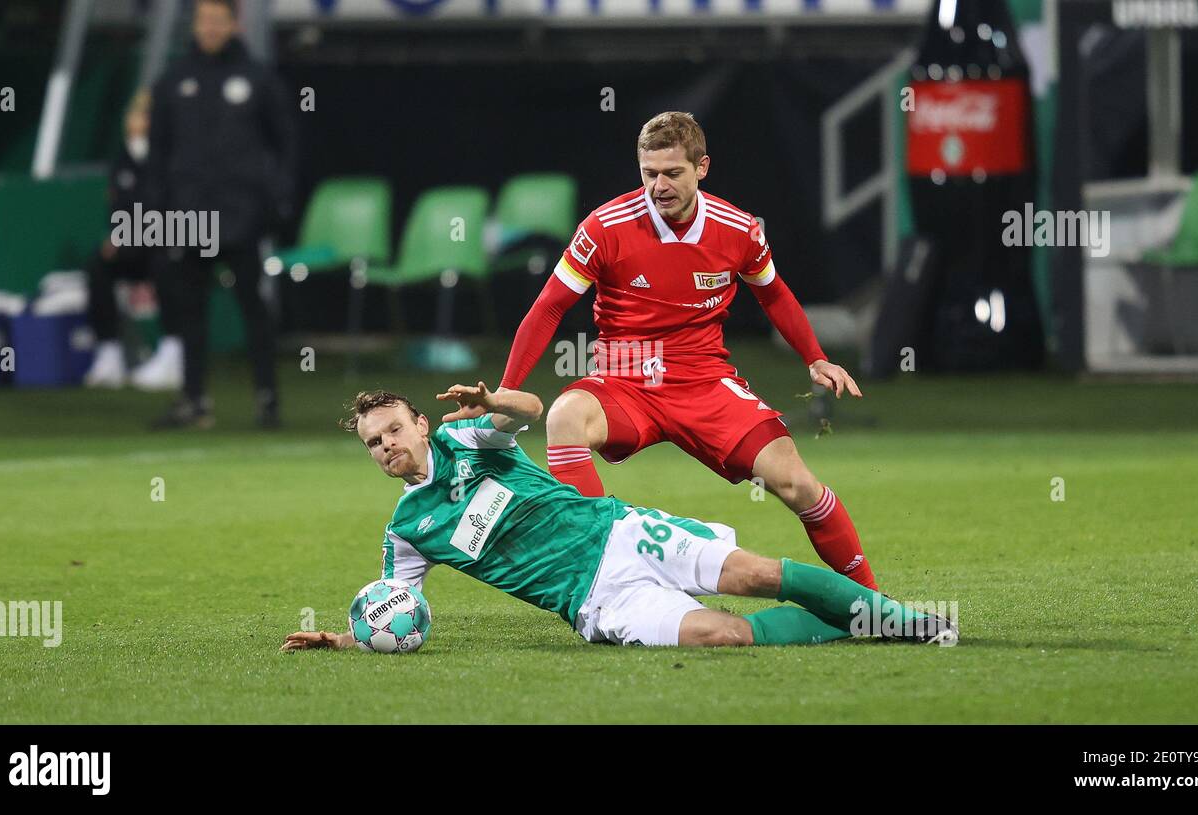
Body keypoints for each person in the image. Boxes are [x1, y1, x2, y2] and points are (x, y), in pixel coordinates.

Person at [498, 112, 879, 590]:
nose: (659, 185)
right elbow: (548, 309)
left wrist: (815, 357)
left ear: (702, 167)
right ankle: (600, 584)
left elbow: (773, 293)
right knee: (564, 417)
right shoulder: (605, 226)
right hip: (625, 380)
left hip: (704, 382)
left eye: (672, 173)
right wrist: (508, 389)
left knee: (798, 484)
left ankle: (872, 602)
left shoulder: (738, 229)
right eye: (648, 173)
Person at [281, 383, 955, 651]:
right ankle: (844, 624)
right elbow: (401, 604)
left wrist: (495, 396)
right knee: (722, 636)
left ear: (420, 424)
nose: (387, 444)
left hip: (618, 530)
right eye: (374, 440)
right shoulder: (407, 530)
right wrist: (345, 638)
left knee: (754, 575)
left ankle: (899, 618)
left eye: (394, 427)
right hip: (595, 597)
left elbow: (527, 411)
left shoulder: (470, 440)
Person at [146, 0, 297, 429]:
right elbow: (157, 154)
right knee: (189, 310)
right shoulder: (174, 81)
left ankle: (267, 399)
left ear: (234, 24)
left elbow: (285, 144)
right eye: (203, 20)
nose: (209, 28)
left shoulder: (257, 78)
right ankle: (194, 401)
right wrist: (157, 210)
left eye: (218, 20)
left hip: (242, 217)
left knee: (254, 308)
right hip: (188, 218)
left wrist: (276, 201)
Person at [83, 89, 183, 391]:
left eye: (147, 115)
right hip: (136, 244)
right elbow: (119, 206)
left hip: (172, 243)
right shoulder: (124, 156)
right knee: (98, 266)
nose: (139, 121)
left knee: (166, 262)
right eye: (137, 113)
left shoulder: (171, 155)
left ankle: (173, 353)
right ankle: (109, 354)